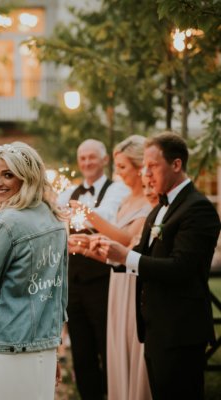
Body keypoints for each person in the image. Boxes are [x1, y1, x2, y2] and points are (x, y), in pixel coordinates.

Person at [91, 132, 220, 400]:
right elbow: (142, 256)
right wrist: (102, 252)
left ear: (176, 165)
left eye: (153, 166)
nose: (145, 174)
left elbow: (180, 268)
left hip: (180, 329)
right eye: (145, 166)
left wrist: (124, 255)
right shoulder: (159, 208)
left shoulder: (197, 209)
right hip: (155, 328)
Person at [0, 142, 67, 399]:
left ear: (27, 177)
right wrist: (55, 344)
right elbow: (59, 294)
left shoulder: (6, 222)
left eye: (7, 174)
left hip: (1, 346)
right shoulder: (54, 219)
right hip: (42, 347)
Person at [69, 135, 152, 400]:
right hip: (95, 281)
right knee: (87, 354)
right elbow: (114, 249)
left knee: (113, 350)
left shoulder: (134, 197)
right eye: (82, 157)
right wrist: (85, 246)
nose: (119, 173)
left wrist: (87, 214)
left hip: (120, 285)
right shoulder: (126, 199)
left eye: (123, 167)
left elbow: (127, 241)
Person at [57, 138, 130, 400]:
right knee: (82, 350)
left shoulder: (117, 190)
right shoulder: (68, 193)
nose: (87, 162)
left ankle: (114, 394)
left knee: (107, 345)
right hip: (74, 283)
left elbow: (107, 216)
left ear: (104, 160)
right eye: (82, 158)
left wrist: (83, 213)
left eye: (92, 157)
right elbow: (54, 216)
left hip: (104, 282)